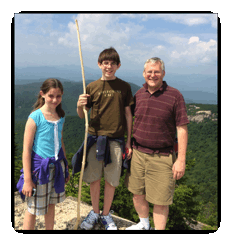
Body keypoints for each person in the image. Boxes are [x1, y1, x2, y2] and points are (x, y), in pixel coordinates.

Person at [125, 57, 189, 230]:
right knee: (137, 193)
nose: (152, 75)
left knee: (160, 202)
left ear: (163, 73)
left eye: (156, 72)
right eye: (149, 72)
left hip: (162, 156)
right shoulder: (139, 94)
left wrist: (181, 159)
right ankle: (144, 224)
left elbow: (182, 128)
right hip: (138, 153)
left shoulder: (175, 96)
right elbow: (129, 119)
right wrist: (128, 144)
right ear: (144, 74)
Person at [73, 47, 134, 230]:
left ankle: (106, 214)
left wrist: (129, 141)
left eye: (113, 63)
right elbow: (82, 116)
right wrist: (79, 105)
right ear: (99, 64)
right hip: (94, 137)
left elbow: (128, 115)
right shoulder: (92, 87)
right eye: (105, 63)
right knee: (94, 178)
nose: (109, 66)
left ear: (118, 65)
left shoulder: (124, 87)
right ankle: (95, 211)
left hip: (116, 139)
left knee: (111, 180)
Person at [16, 78, 70, 230]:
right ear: (43, 94)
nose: (54, 100)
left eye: (58, 96)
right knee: (32, 208)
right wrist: (27, 179)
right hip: (39, 169)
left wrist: (65, 167)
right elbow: (26, 150)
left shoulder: (61, 116)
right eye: (51, 95)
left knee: (51, 203)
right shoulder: (35, 117)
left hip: (57, 166)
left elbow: (61, 142)